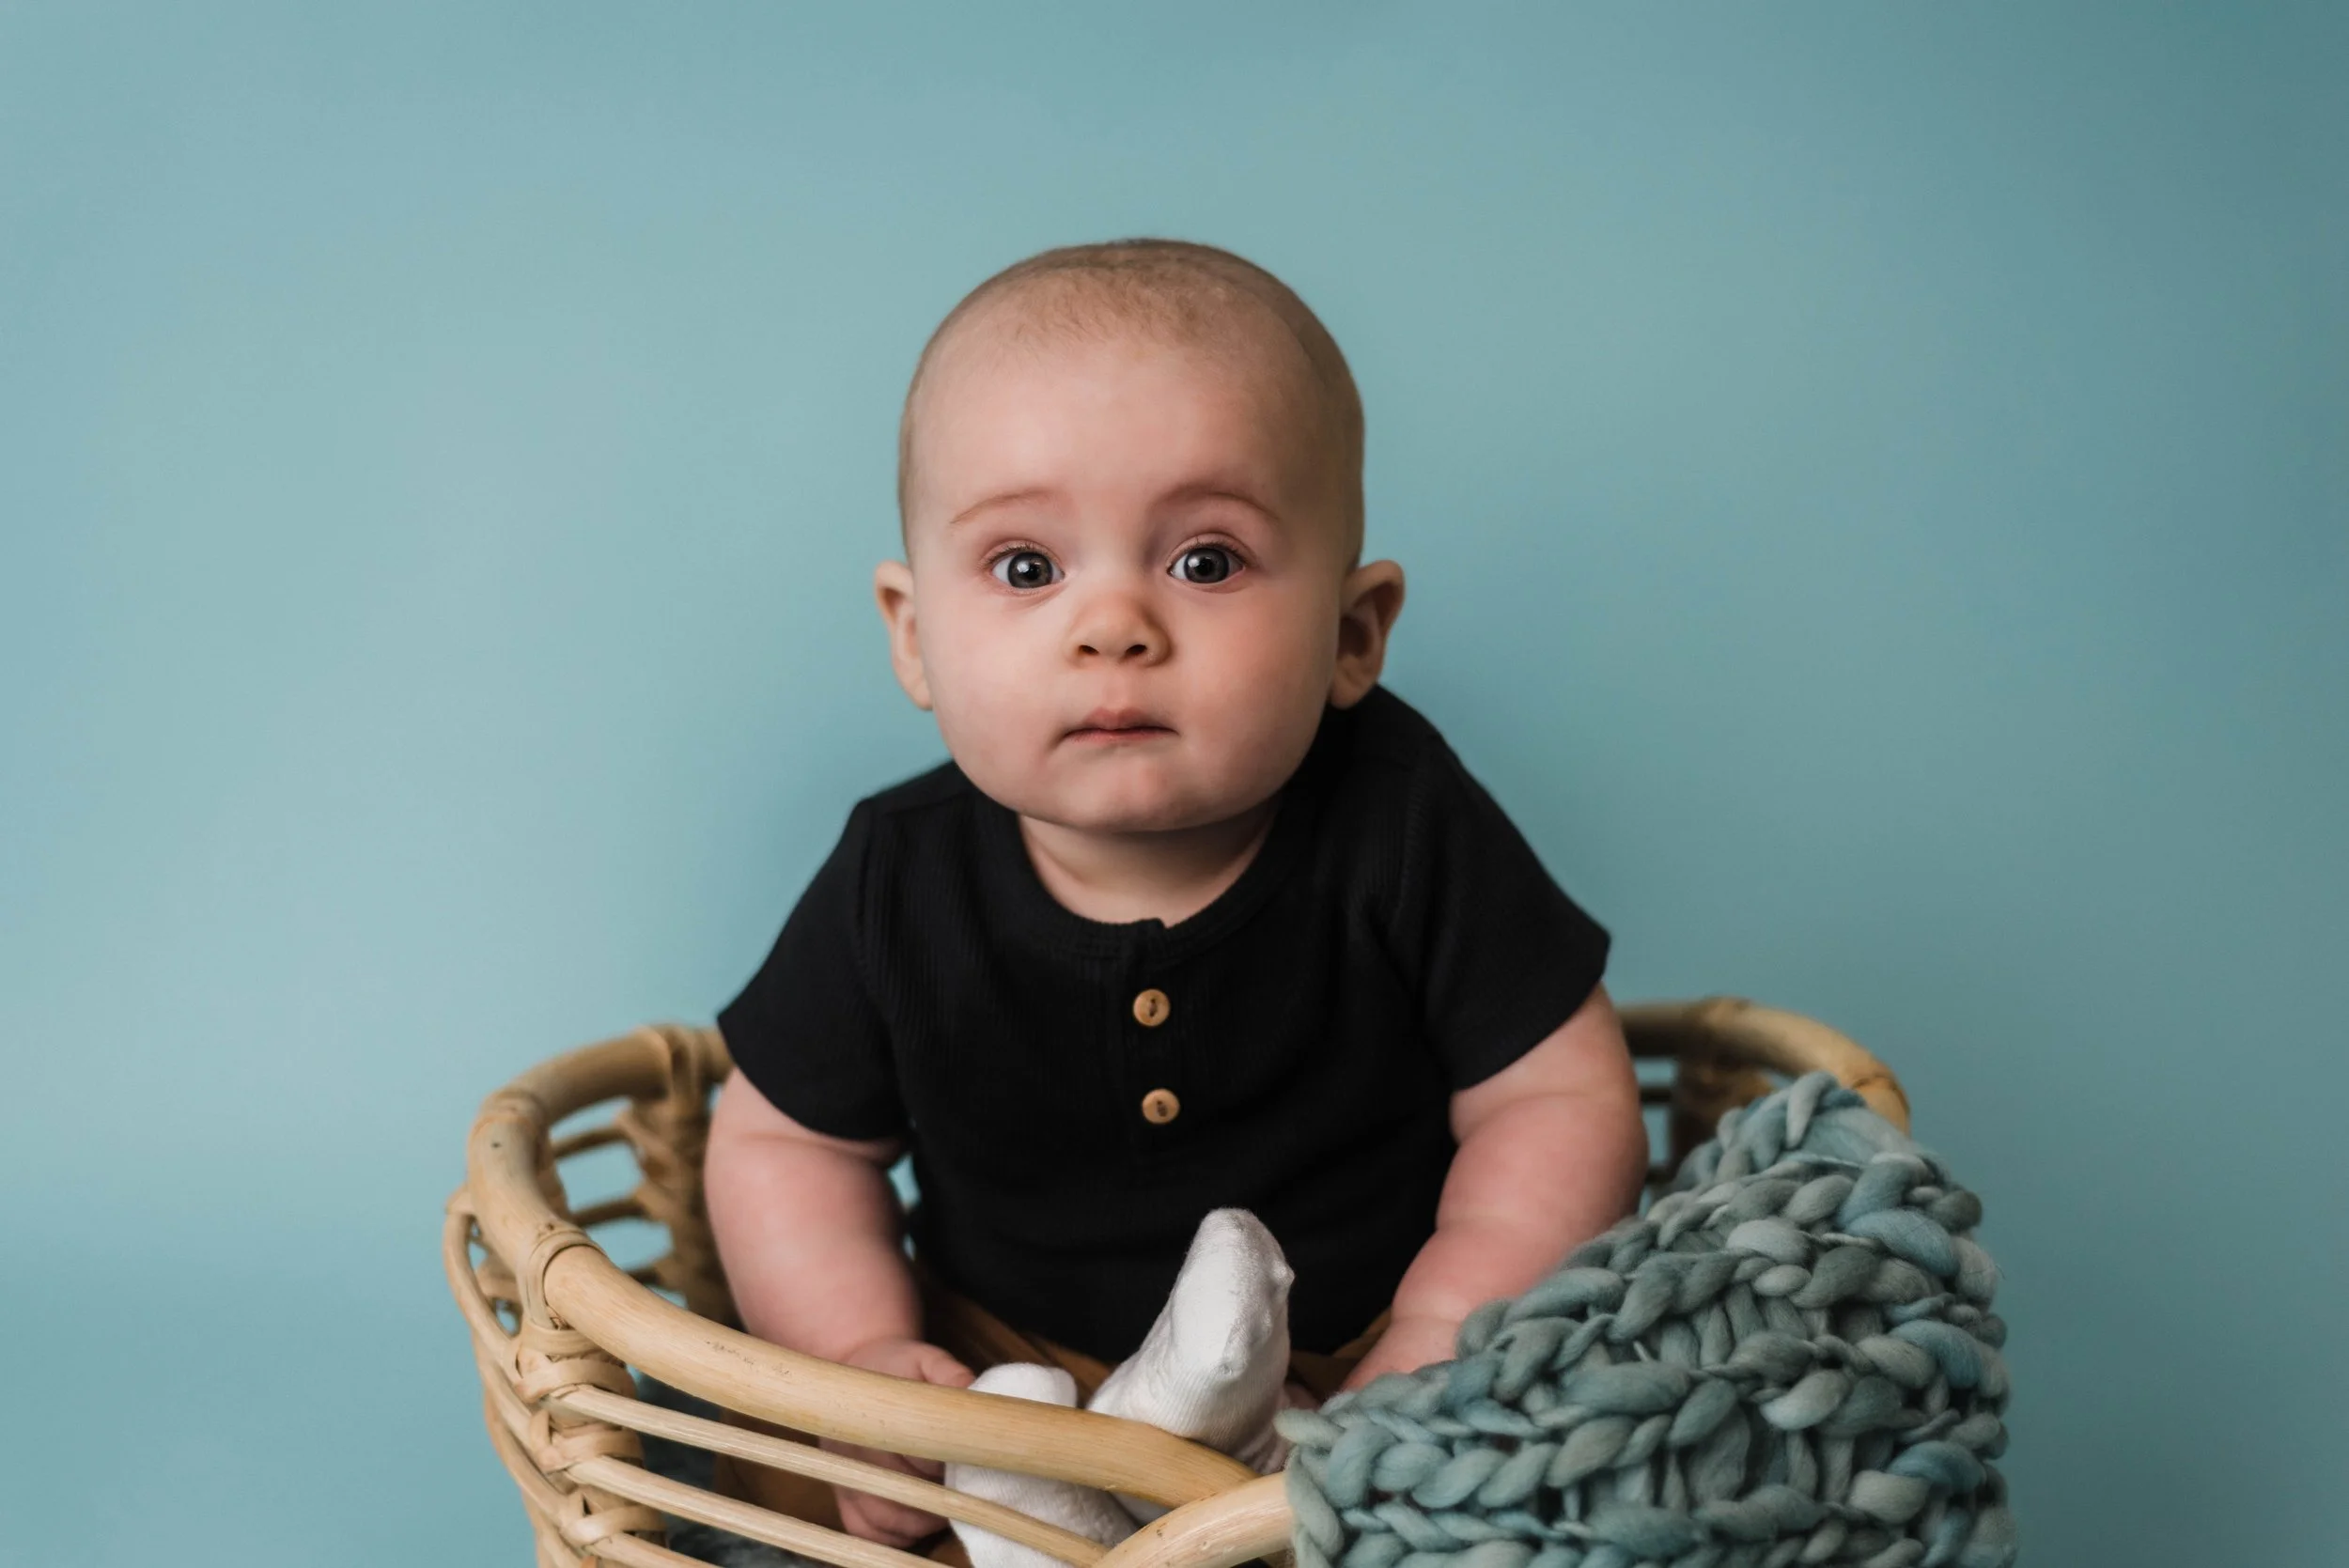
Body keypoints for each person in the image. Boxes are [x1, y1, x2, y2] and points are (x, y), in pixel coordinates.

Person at [703, 239, 1648, 1551]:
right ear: (915, 636)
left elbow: (1558, 1097)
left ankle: (1164, 1494)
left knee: (1536, 1478)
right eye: (1027, 567)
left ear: (1353, 634)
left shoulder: (1401, 818)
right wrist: (860, 1353)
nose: (1114, 626)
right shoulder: (898, 873)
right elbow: (785, 1145)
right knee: (786, 1490)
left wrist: (1441, 1337)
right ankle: (1036, 1490)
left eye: (1205, 561)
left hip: (1346, 1364)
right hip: (1001, 1372)